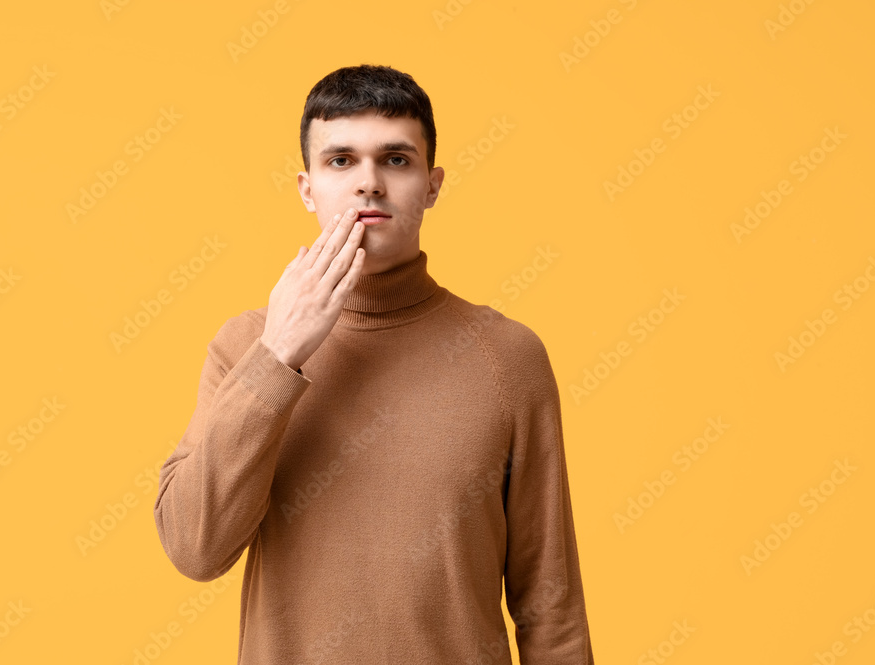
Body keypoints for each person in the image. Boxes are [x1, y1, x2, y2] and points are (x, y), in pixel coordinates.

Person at [154, 63, 595, 664]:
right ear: (307, 188)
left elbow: (551, 602)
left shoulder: (509, 357)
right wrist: (279, 355)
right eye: (341, 161)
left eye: (395, 159)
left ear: (432, 184)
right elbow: (194, 547)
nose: (369, 183)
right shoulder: (246, 345)